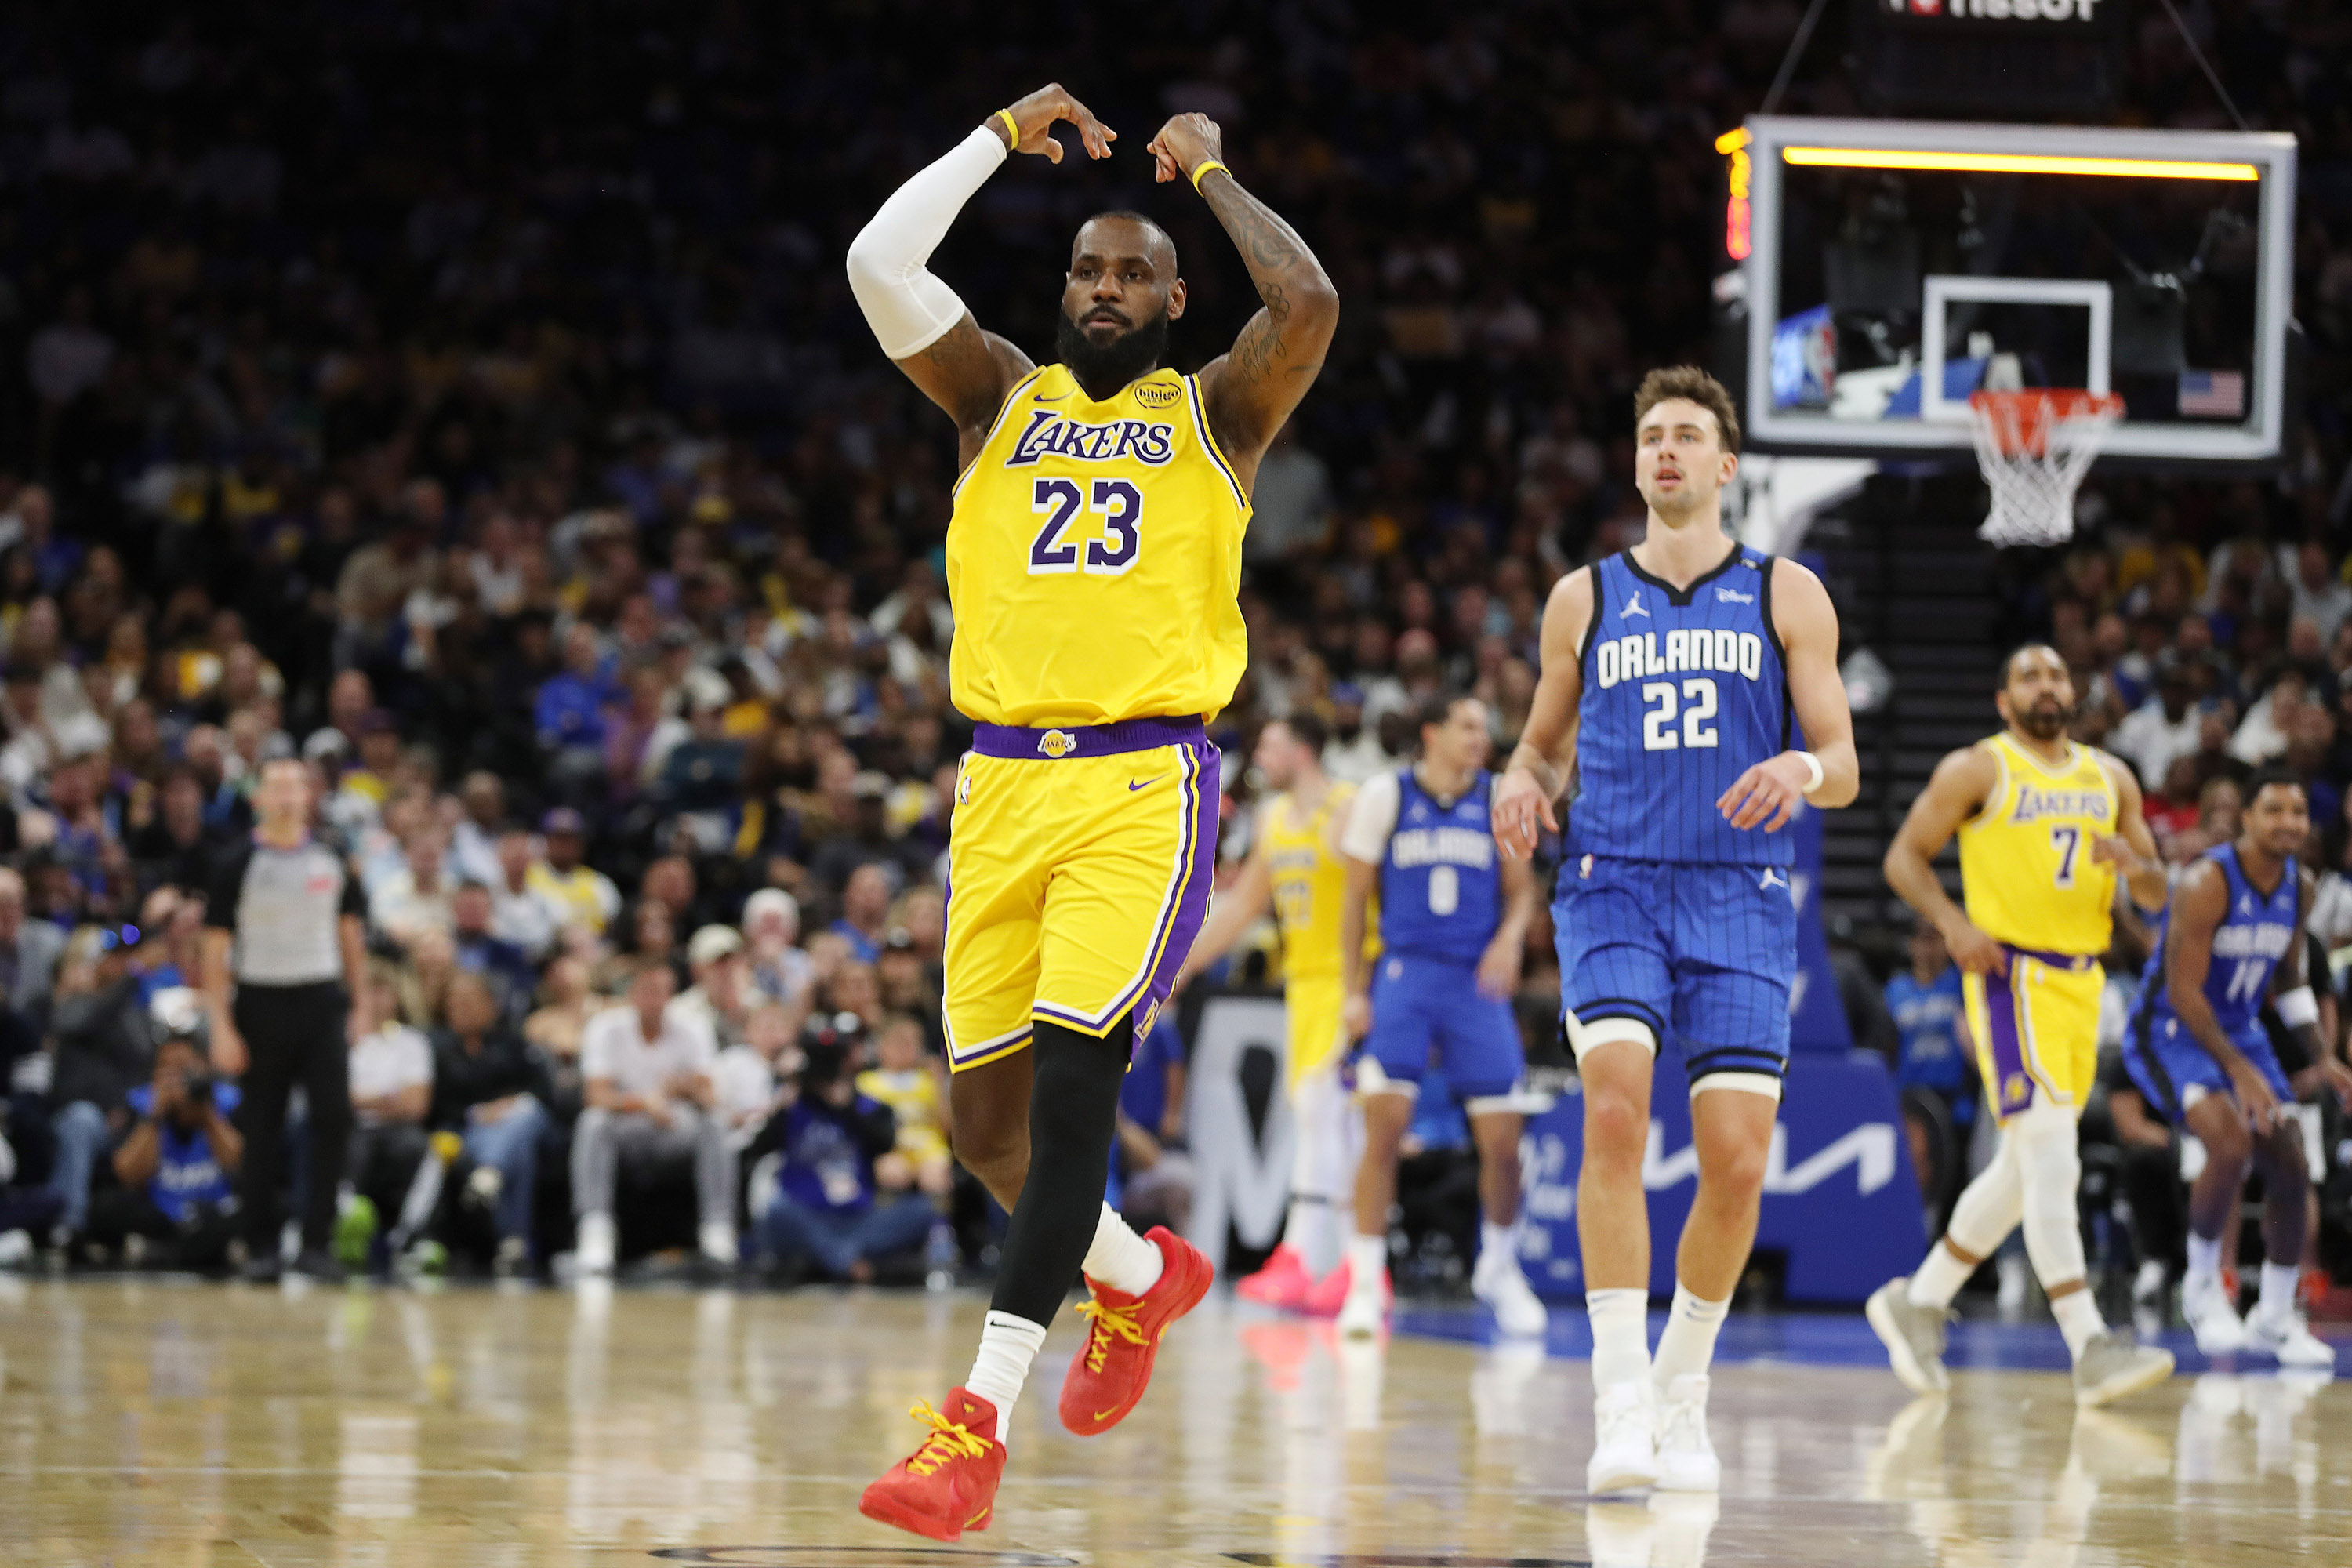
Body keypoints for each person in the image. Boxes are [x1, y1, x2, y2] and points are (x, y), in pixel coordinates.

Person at [846, 85, 1337, 1541]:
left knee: (1070, 1106)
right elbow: (881, 263)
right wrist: (994, 139)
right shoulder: (996, 393)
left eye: (1134, 273)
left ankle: (972, 1429)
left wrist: (1216, 177)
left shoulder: (1219, 412)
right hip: (997, 781)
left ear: (1177, 299)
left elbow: (1303, 301)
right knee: (982, 1129)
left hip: (1142, 781)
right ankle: (1138, 1280)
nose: (1106, 290)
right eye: (1086, 270)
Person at [1492, 367, 1860, 1494]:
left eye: (1687, 435)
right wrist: (1520, 781)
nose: (1665, 451)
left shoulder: (1787, 593)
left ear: (1726, 465)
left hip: (1743, 894)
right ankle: (1614, 1404)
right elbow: (1541, 744)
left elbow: (1841, 765)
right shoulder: (1583, 597)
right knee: (1613, 1112)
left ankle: (1678, 1390)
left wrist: (1798, 766)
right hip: (1613, 883)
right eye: (1651, 435)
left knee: (1739, 1163)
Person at [1870, 644, 2176, 1406]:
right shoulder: (1980, 767)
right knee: (2053, 1155)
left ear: (2074, 690)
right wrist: (1949, 922)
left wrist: (2134, 867)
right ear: (2004, 700)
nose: (2047, 685)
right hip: (2011, 977)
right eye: (2029, 676)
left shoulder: (2113, 776)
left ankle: (1919, 1301)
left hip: (2082, 982)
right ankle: (2089, 1343)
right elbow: (1904, 857)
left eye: (2057, 674)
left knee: (2022, 1168)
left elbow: (2158, 885)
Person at [1333, 693, 1546, 1340]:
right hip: (1405, 973)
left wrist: (1510, 939)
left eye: (1485, 727)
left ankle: (1500, 1268)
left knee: (1505, 1144)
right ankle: (1366, 1283)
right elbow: (1354, 900)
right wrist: (1353, 989)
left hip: (1473, 981)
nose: (1481, 737)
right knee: (1384, 1131)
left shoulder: (1496, 799)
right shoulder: (1385, 796)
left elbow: (1521, 893)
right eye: (1468, 725)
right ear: (1431, 732)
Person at [2121, 768, 2349, 1366]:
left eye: (2298, 812)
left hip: (2240, 1031)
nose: (2289, 823)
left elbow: (2291, 976)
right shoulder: (2206, 882)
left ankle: (2275, 1315)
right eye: (2274, 810)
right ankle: (2200, 1288)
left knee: (2291, 1157)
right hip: (2171, 1029)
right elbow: (2184, 990)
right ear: (2246, 818)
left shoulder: (2300, 887)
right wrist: (2238, 1070)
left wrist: (2325, 1058)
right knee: (2228, 1142)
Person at [1173, 712, 1363, 1307]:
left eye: (1272, 745)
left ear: (1304, 751)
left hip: (1352, 979)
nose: (1260, 758)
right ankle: (1346, 1267)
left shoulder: (1350, 808)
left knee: (1324, 1115)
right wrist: (1179, 971)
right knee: (1328, 1123)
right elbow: (1237, 912)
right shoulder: (1277, 821)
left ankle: (1310, 1258)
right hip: (1304, 987)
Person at [203, 755, 368, 1283]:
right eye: (277, 787)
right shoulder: (237, 863)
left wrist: (362, 1005)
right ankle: (260, 1245)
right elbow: (214, 949)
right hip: (259, 1001)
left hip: (320, 1000)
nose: (288, 796)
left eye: (296, 786)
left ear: (309, 796)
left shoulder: (332, 857)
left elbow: (351, 938)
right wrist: (222, 1024)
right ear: (259, 799)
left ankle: (316, 1243)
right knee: (262, 1127)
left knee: (334, 1117)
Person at [571, 957, 735, 1275]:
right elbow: (595, 1095)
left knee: (715, 1125)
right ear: (631, 993)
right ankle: (595, 1231)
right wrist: (643, 1104)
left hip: (676, 1130)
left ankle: (718, 1232)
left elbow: (710, 1097)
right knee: (592, 1123)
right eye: (647, 990)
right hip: (627, 1132)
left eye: (662, 991)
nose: (655, 999)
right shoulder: (606, 1027)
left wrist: (682, 1086)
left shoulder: (694, 1026)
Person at [91, 1021, 243, 1271]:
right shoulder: (142, 1103)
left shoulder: (229, 1102)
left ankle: (173, 1249)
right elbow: (126, 1175)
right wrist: (154, 1117)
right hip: (160, 1213)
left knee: (259, 1208)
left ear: (204, 1068)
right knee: (105, 1206)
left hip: (215, 1210)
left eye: (183, 1069)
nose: (176, 1080)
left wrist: (209, 1118)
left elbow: (242, 1167)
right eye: (167, 1070)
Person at [426, 971, 550, 1276]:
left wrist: (506, 1105)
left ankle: (489, 1174)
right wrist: (477, 1113)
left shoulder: (513, 1042)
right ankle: (512, 1242)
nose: (461, 1008)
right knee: (518, 1153)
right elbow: (433, 1105)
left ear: (491, 1006)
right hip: (463, 1129)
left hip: (514, 1124)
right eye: (454, 1002)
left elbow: (543, 1093)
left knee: (525, 1115)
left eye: (469, 1000)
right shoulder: (436, 1048)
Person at [338, 960, 434, 1265]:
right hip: (353, 1127)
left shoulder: (412, 1042)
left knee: (419, 1148)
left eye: (383, 990)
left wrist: (363, 1099)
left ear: (397, 996)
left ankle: (411, 1237)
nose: (376, 999)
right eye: (369, 990)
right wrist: (387, 1097)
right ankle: (344, 1227)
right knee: (345, 1145)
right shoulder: (344, 1040)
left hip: (399, 1129)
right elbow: (337, 1099)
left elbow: (416, 1105)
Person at [1884, 922, 1976, 1199]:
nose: (1928, 949)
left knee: (1957, 1177)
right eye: (1922, 941)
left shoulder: (1960, 984)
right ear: (1911, 945)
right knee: (1915, 1175)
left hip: (1955, 1098)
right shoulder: (1896, 991)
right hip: (1911, 1100)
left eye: (1935, 941)